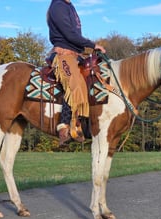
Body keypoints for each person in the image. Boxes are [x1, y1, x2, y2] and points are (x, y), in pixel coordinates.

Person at [47, 0, 106, 145]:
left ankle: (90, 122)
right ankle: (65, 127)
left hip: (76, 54)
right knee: (74, 84)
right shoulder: (58, 6)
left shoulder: (69, 6)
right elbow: (69, 34)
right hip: (63, 54)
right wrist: (92, 45)